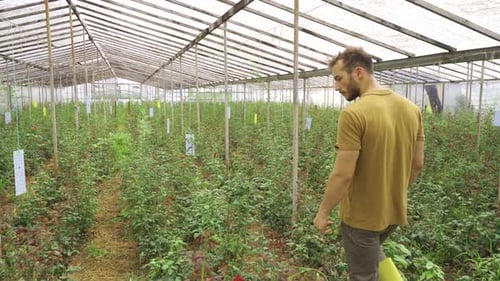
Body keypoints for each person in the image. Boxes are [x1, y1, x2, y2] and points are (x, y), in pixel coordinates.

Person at [313, 47, 425, 281]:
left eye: (338, 78)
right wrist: (394, 191)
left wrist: (323, 212)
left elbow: (343, 174)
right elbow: (417, 164)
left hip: (362, 217)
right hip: (393, 212)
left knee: (363, 275)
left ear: (359, 73)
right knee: (373, 252)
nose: (336, 86)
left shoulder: (354, 114)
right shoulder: (412, 110)